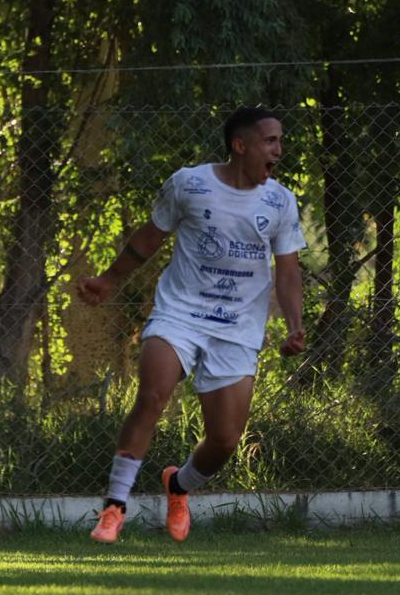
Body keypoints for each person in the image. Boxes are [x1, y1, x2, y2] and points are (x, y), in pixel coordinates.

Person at [75, 106, 306, 543]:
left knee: (225, 440)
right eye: (270, 141)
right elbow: (150, 236)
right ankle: (115, 506)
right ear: (240, 146)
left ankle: (178, 486)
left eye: (280, 140)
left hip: (237, 328)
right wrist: (108, 279)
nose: (279, 149)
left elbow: (289, 269)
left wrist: (295, 325)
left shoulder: (280, 201)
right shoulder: (190, 184)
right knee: (152, 395)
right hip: (180, 313)